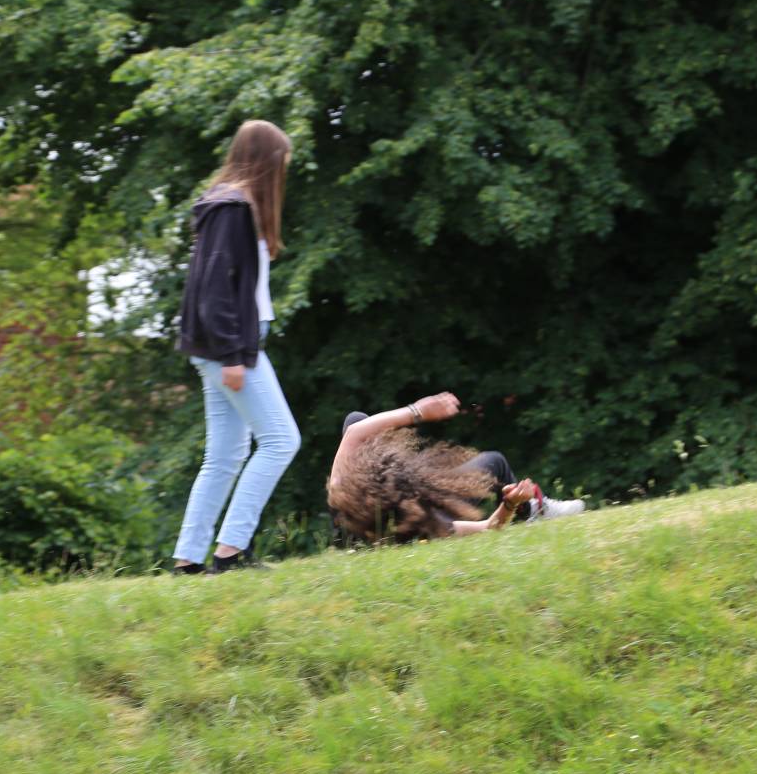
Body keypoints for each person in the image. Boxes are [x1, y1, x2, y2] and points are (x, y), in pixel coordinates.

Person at [171, 120, 301, 573]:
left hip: (231, 345)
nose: (283, 171)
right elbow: (214, 290)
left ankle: (189, 561)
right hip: (230, 349)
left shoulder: (233, 205)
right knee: (282, 440)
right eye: (280, 162)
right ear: (264, 161)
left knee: (224, 456)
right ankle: (231, 551)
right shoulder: (232, 208)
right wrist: (231, 355)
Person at [327, 391, 585, 543]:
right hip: (405, 516)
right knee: (495, 462)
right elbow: (489, 528)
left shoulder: (341, 495)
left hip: (361, 532)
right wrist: (511, 504)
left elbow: (354, 432)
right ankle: (534, 510)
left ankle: (532, 509)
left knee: (356, 419)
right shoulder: (422, 520)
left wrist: (417, 412)